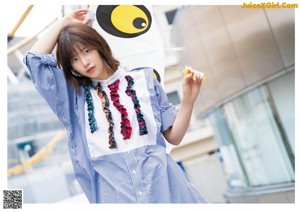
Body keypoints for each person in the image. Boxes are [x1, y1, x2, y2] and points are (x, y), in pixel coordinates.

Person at [23, 9, 206, 203]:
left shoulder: (144, 80)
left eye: (87, 51)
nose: (84, 62)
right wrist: (64, 22)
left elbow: (173, 137)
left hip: (169, 194)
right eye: (74, 59)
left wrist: (187, 101)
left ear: (98, 46)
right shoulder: (74, 99)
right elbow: (34, 60)